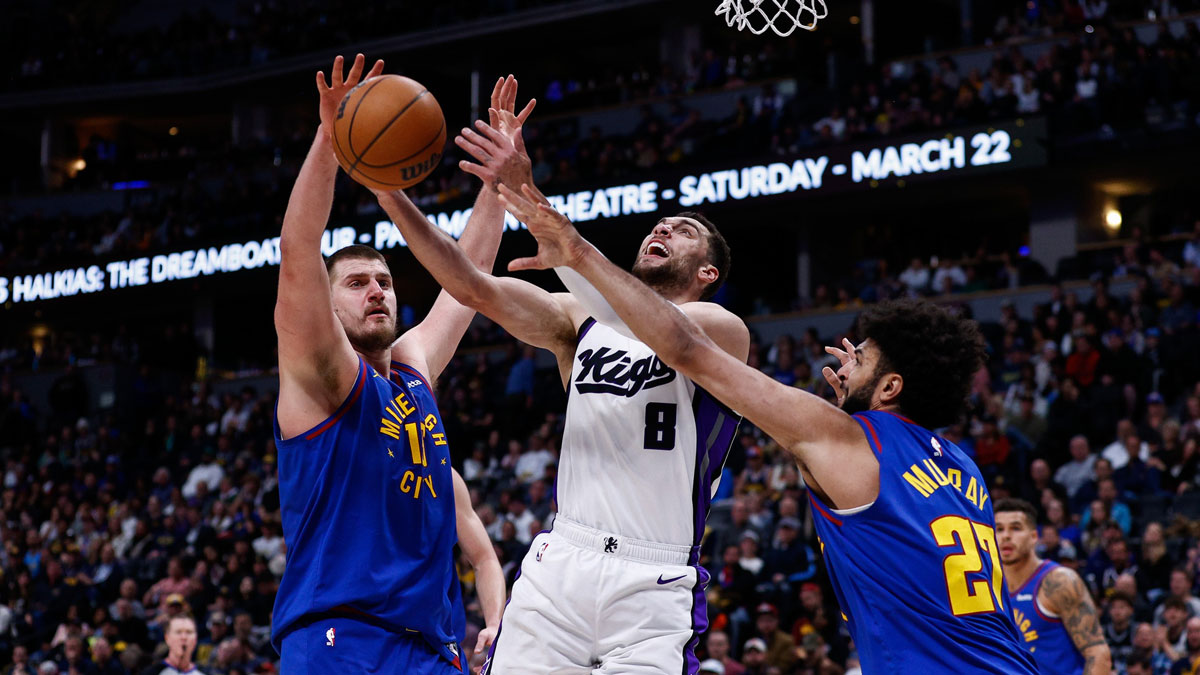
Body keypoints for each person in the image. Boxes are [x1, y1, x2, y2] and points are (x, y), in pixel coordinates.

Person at [496, 181, 1038, 672]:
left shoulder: (844, 437)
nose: (840, 359)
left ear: (891, 387)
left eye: (860, 356)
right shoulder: (962, 468)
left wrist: (569, 250)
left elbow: (686, 349)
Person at [373, 109, 746, 674]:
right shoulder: (579, 318)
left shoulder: (721, 330)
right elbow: (470, 285)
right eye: (659, 225)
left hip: (654, 580)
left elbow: (666, 333)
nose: (662, 230)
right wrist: (390, 195)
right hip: (561, 562)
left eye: (683, 230)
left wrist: (546, 215)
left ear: (708, 274)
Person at [270, 55, 531, 673]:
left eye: (383, 281)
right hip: (341, 638)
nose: (377, 291)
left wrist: (499, 182)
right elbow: (298, 247)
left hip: (432, 648)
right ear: (326, 305)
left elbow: (471, 277)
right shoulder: (323, 375)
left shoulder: (412, 368)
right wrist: (331, 140)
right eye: (357, 282)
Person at [994, 498, 1112, 674]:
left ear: (1034, 537)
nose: (1006, 536)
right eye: (999, 529)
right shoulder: (986, 588)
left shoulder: (1059, 582)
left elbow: (1098, 652)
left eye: (1016, 528)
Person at [451, 468, 505, 666]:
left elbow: (485, 559)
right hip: (365, 629)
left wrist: (494, 624)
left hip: (437, 642)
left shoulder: (444, 475)